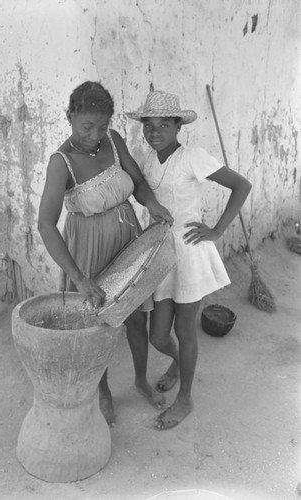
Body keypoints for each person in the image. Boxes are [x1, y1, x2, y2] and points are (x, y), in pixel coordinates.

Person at [38, 81, 173, 426]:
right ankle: (103, 392)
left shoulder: (112, 141)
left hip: (128, 238)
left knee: (136, 318)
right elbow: (46, 226)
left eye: (102, 125)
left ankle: (140, 380)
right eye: (87, 126)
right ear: (69, 117)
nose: (94, 134)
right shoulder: (62, 162)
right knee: (96, 326)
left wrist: (152, 204)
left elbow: (138, 182)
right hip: (89, 250)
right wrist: (80, 279)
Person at [126, 90, 252, 430]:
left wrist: (217, 230)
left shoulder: (193, 157)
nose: (155, 133)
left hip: (188, 250)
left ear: (178, 126)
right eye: (149, 126)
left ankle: (185, 398)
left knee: (185, 328)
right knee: (158, 337)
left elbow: (241, 185)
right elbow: (139, 187)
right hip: (158, 253)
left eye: (163, 125)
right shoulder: (146, 157)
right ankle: (180, 364)